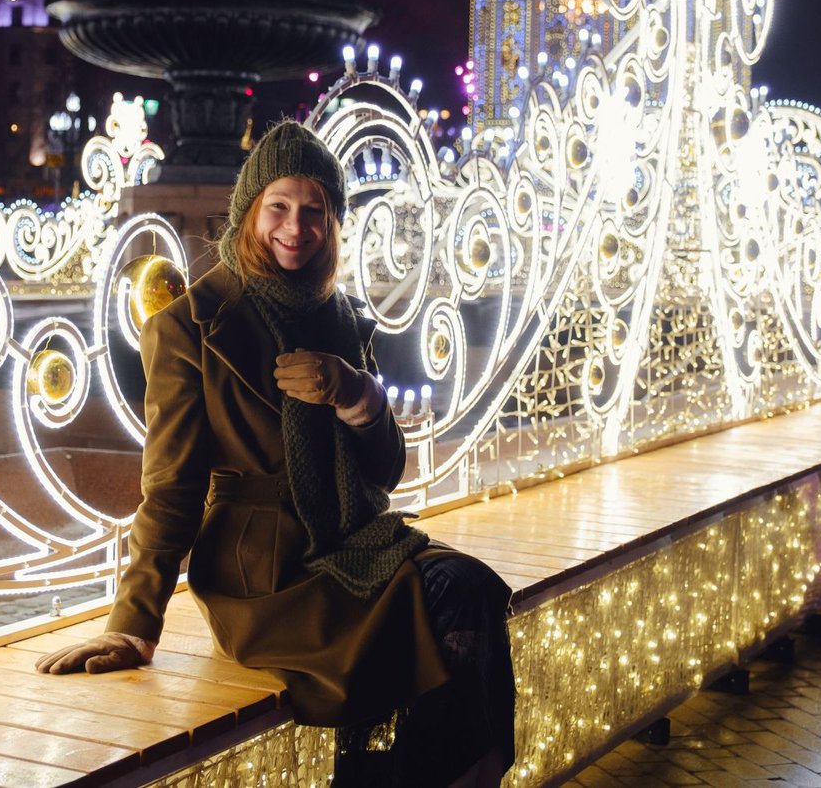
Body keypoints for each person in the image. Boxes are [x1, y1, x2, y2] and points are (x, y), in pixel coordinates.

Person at [37, 121, 515, 787]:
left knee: (474, 593)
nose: (296, 228)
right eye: (279, 208)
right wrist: (134, 623)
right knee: (448, 611)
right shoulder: (188, 326)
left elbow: (383, 472)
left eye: (314, 210)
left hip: (350, 542)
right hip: (263, 577)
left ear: (332, 221)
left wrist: (360, 399)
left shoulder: (343, 317)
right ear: (248, 212)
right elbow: (172, 487)